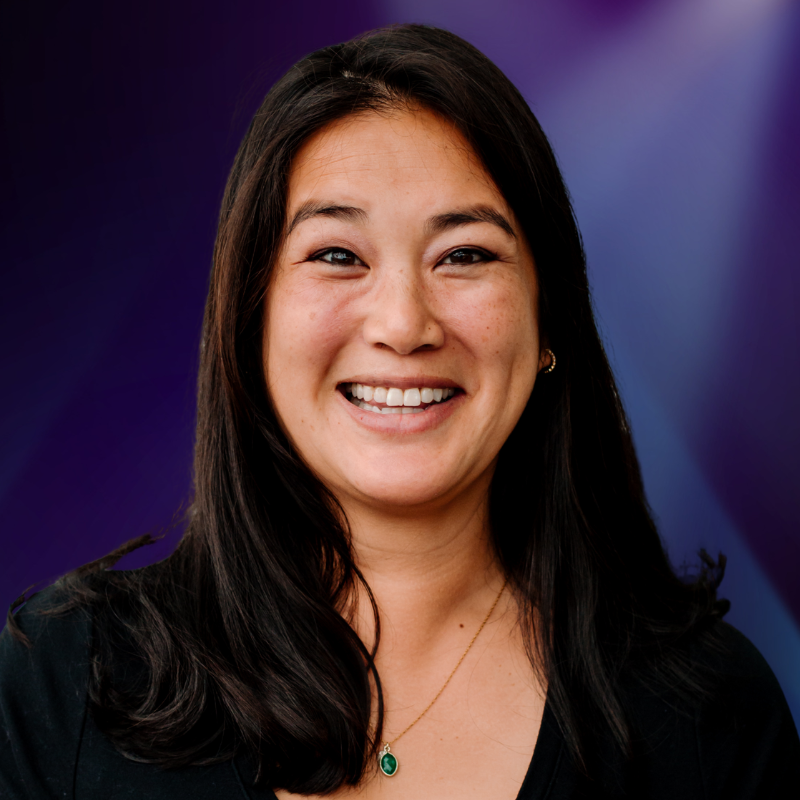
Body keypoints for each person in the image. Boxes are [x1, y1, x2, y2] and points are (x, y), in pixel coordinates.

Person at [1, 23, 797, 800]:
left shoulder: (708, 718)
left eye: (465, 256)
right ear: (251, 319)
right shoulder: (67, 677)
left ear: (547, 318)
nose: (404, 325)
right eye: (337, 256)